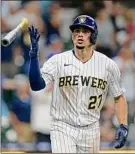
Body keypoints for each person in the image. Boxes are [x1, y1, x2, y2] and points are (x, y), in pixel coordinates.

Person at [28, 15, 128, 153]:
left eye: (85, 31)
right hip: (63, 126)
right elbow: (36, 85)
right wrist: (33, 57)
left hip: (91, 128)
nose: (80, 34)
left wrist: (123, 125)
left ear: (94, 36)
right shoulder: (58, 61)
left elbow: (119, 96)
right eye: (76, 31)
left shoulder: (108, 65)